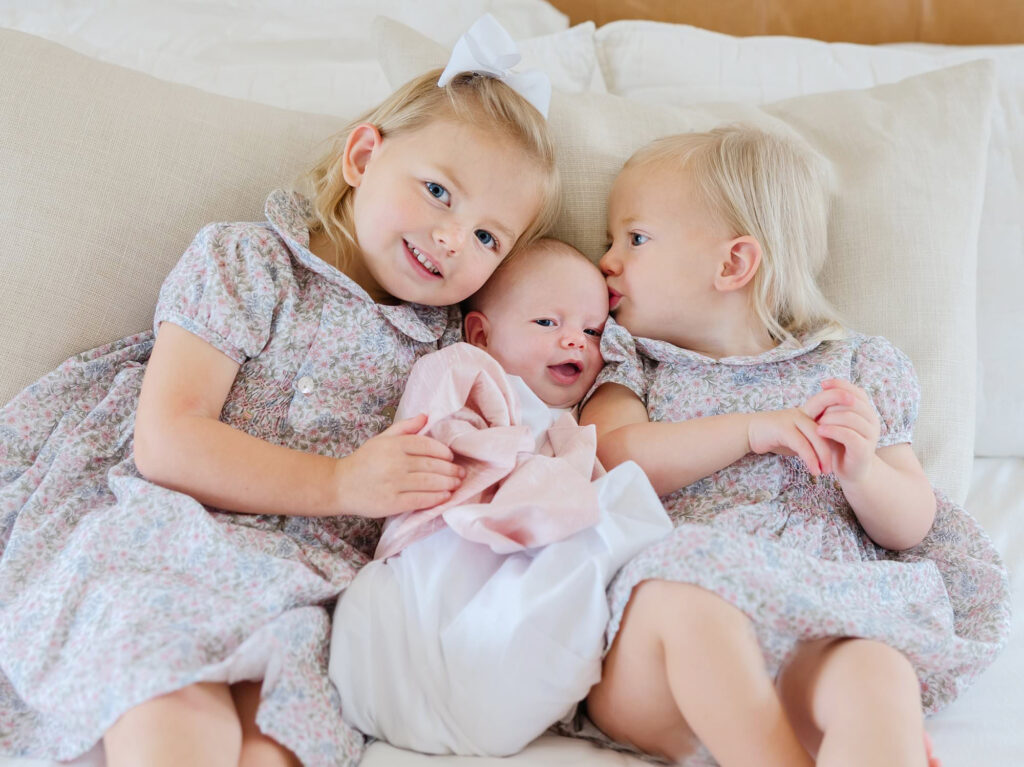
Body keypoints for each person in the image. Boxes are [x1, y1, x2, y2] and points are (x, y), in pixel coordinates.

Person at [0, 17, 561, 767]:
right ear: (364, 156)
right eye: (438, 192)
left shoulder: (449, 348)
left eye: (490, 238)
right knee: (173, 693)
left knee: (282, 733)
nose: (455, 238)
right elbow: (166, 439)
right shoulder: (251, 263)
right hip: (172, 532)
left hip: (307, 580)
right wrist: (340, 480)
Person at [576, 125, 1011, 767]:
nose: (607, 260)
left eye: (634, 239)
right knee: (688, 601)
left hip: (811, 635)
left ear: (733, 264)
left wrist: (862, 470)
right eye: (610, 240)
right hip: (666, 654)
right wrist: (751, 429)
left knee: (876, 671)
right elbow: (611, 458)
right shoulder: (632, 362)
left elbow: (911, 525)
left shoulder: (855, 367)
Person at [328, 239, 673, 757]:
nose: (576, 342)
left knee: (616, 514)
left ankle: (502, 682)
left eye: (592, 330)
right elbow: (438, 441)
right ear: (482, 334)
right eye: (547, 324)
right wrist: (536, 479)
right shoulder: (466, 370)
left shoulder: (573, 427)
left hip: (503, 658)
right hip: (432, 570)